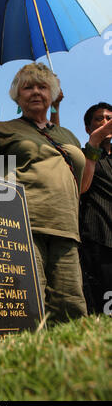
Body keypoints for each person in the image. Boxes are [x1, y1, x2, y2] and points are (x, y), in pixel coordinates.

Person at [0, 62, 90, 323]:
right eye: (28, 87)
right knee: (27, 303)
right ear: (17, 95)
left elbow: (82, 185)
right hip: (23, 225)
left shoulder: (66, 135)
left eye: (42, 86)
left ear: (53, 94)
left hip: (66, 229)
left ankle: (67, 363)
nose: (36, 92)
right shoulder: (4, 128)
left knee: (70, 307)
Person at [79, 102, 112, 314]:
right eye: (99, 119)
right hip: (99, 239)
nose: (106, 123)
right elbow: (81, 186)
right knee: (105, 304)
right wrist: (55, 109)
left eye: (109, 118)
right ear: (88, 128)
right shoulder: (84, 156)